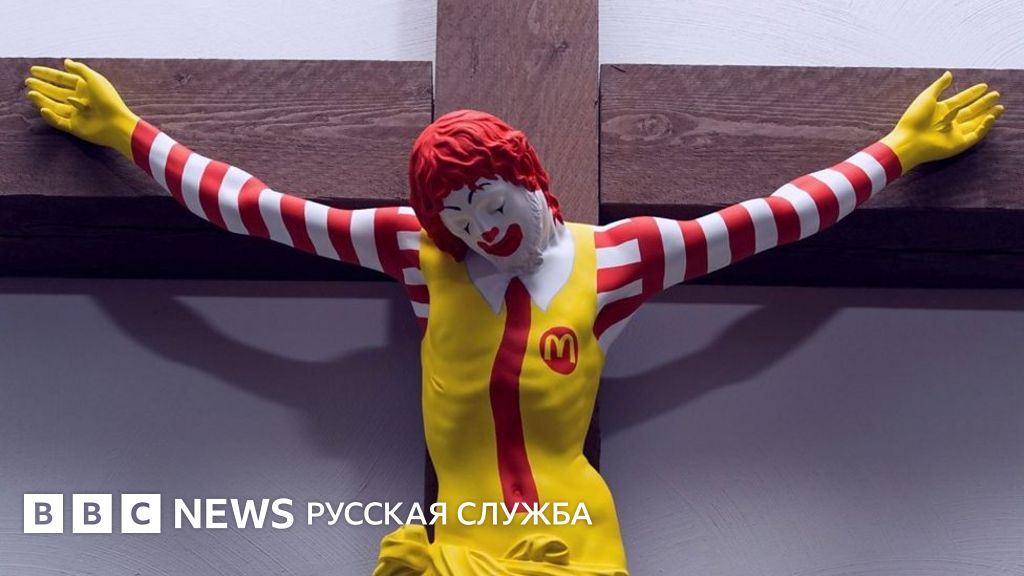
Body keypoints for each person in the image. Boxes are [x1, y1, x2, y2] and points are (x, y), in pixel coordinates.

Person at [24, 59, 1003, 575]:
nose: (481, 230)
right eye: (457, 218)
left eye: (492, 203)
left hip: (572, 543)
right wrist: (131, 133)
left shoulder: (617, 260)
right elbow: (264, 210)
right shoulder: (418, 257)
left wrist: (898, 151)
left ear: (531, 182)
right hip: (456, 545)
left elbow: (770, 220)